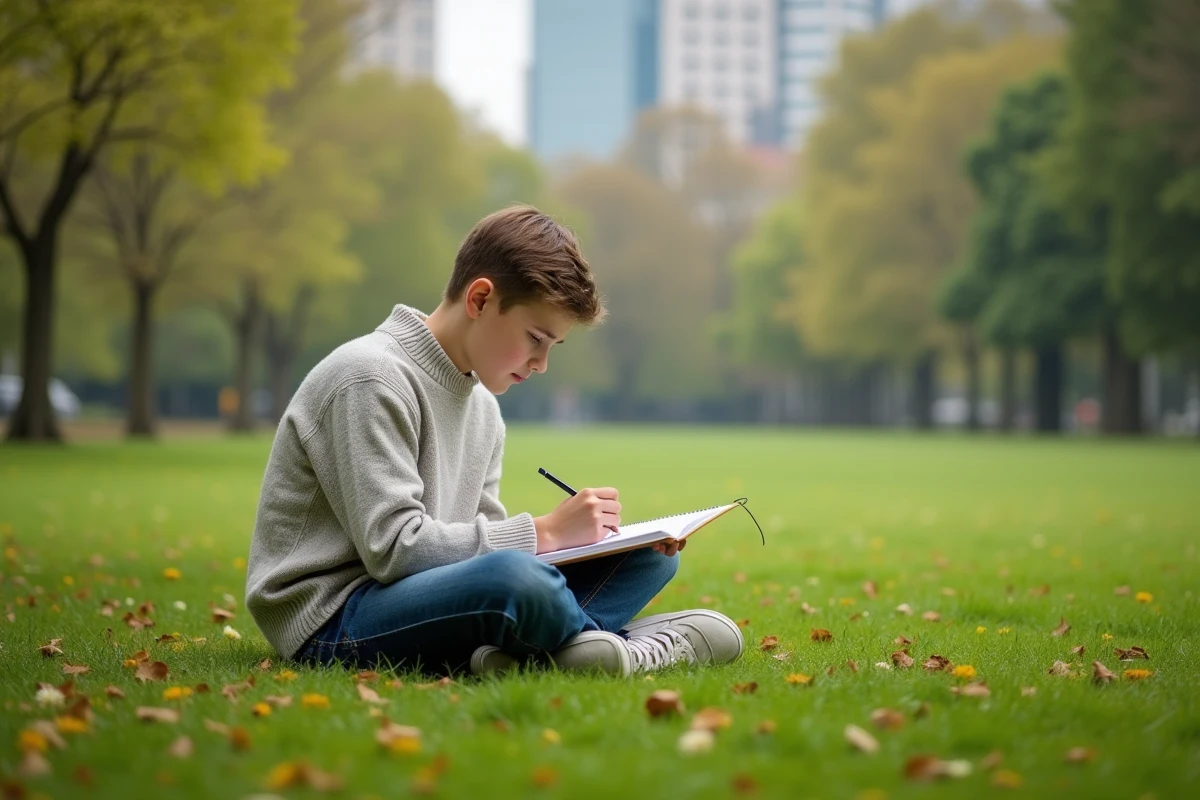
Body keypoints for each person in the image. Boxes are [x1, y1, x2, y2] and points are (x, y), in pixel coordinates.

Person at [244, 205, 743, 676]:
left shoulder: (482, 406)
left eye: (553, 346)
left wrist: (590, 545)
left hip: (421, 598)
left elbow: (478, 543)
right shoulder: (369, 378)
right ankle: (609, 650)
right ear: (480, 299)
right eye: (535, 338)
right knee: (517, 582)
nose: (541, 364)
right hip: (335, 618)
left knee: (648, 558)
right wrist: (545, 533)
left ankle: (538, 653)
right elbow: (396, 550)